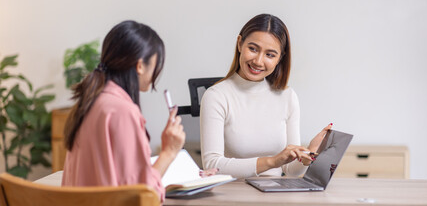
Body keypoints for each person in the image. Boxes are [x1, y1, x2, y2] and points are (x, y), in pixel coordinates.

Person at [62, 20, 185, 202]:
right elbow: (138, 196)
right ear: (140, 65)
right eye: (156, 61)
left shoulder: (91, 101)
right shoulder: (122, 111)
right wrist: (169, 152)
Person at [200, 14, 331, 179]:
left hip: (274, 194)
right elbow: (212, 164)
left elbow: (291, 170)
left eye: (270, 55)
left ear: (279, 58)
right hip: (233, 193)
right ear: (240, 43)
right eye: (253, 49)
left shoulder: (287, 96)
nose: (258, 61)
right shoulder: (216, 96)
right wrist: (272, 161)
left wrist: (309, 153)